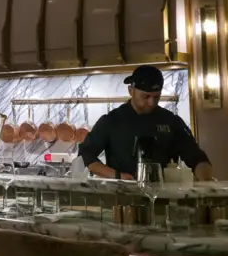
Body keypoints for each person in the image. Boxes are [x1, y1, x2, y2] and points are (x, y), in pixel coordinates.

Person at [78, 65, 213, 181]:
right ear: (131, 91)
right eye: (146, 96)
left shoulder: (171, 121)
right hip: (122, 196)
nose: (151, 102)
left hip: (164, 196)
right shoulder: (112, 121)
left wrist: (207, 182)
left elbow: (197, 158)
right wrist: (118, 176)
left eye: (156, 97)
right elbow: (86, 155)